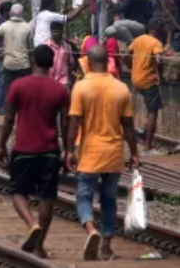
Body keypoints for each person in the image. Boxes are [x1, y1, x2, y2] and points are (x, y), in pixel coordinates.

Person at [0, 45, 69, 259]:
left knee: (18, 192)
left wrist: (1, 145)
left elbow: (9, 118)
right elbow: (66, 124)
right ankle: (39, 246)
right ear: (51, 64)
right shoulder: (60, 90)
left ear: (33, 61)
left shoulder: (18, 85)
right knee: (47, 197)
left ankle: (31, 224)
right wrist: (69, 151)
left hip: (24, 149)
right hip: (50, 150)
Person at [67, 44, 138, 262]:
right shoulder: (121, 88)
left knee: (84, 196)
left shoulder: (81, 87)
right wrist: (134, 152)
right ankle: (106, 246)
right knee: (109, 200)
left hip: (90, 154)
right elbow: (128, 125)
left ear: (87, 62)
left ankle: (91, 229)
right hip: (114, 154)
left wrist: (69, 150)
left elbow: (74, 122)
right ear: (108, 61)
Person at [126, 30, 165, 153]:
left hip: (135, 79)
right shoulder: (156, 43)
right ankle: (148, 147)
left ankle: (143, 132)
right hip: (148, 81)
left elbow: (126, 55)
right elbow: (158, 60)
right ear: (157, 29)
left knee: (149, 109)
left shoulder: (139, 39)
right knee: (153, 111)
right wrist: (161, 75)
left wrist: (131, 67)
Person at [0, 4, 34, 97]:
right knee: (23, 93)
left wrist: (0, 51)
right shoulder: (28, 27)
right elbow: (31, 48)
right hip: (24, 65)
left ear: (11, 13)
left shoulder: (4, 26)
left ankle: (8, 109)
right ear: (22, 14)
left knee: (9, 93)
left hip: (8, 63)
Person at [46, 21, 79, 90]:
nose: (56, 32)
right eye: (54, 30)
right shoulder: (46, 46)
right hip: (49, 80)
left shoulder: (67, 47)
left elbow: (72, 63)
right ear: (51, 31)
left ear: (62, 31)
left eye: (58, 30)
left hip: (64, 81)